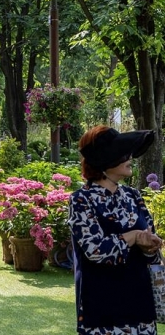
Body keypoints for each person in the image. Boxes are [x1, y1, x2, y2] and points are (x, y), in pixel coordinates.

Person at [69, 125, 162, 334]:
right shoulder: (81, 200)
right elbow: (95, 251)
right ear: (104, 162)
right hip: (103, 311)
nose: (130, 157)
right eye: (122, 153)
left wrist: (149, 246)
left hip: (141, 306)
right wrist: (132, 237)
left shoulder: (133, 196)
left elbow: (149, 244)